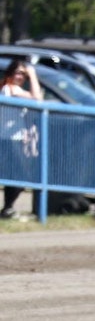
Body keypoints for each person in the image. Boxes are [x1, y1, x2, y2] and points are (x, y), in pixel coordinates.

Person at [1, 58, 43, 219]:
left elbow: (37, 100)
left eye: (23, 74)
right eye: (18, 73)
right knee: (19, 174)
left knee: (16, 175)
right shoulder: (9, 88)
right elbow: (37, 100)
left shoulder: (17, 90)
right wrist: (32, 75)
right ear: (10, 73)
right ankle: (7, 208)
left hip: (16, 139)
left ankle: (7, 209)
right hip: (7, 139)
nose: (20, 77)